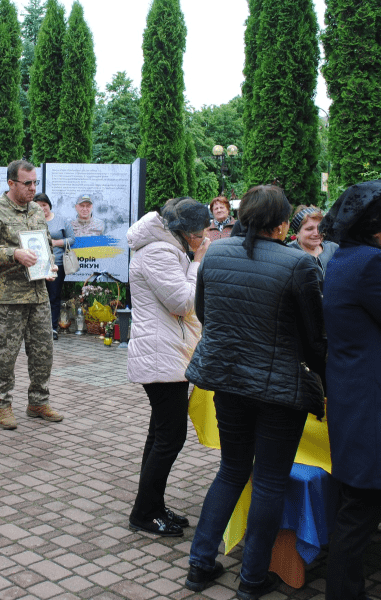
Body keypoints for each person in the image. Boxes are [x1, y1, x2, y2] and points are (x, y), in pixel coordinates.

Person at [184, 185, 327, 596]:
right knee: (267, 482)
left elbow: (206, 314)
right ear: (283, 224)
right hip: (279, 388)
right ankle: (251, 580)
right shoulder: (299, 264)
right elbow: (315, 339)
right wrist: (328, 384)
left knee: (231, 470)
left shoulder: (218, 252)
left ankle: (199, 565)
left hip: (227, 379)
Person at [318, 180, 381, 599]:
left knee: (354, 506)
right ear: (379, 228)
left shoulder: (345, 257)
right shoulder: (374, 265)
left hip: (351, 395)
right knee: (359, 512)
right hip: (370, 404)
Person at [126, 198, 210, 538]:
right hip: (162, 356)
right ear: (188, 231)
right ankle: (143, 512)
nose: (206, 235)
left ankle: (152, 506)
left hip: (168, 354)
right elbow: (183, 302)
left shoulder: (166, 248)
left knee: (160, 434)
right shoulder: (159, 253)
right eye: (203, 230)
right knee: (170, 437)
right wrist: (199, 263)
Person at [0, 160, 62, 430]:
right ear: (11, 183)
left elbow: (44, 243)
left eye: (35, 182)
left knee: (43, 351)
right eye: (27, 183)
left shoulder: (36, 210)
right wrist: (14, 254)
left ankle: (38, 401)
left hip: (37, 294)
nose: (33, 188)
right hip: (7, 297)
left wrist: (49, 265)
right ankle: (2, 404)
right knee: (5, 354)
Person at [34, 193, 74, 339]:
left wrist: (55, 243)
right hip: (36, 265)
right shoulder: (32, 220)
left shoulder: (61, 220)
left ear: (49, 205)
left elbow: (72, 238)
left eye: (44, 205)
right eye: (38, 205)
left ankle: (53, 328)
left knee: (54, 296)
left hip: (56, 264)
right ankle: (37, 328)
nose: (42, 208)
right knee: (37, 297)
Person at [288, 205, 339, 283]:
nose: (317, 233)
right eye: (309, 229)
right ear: (297, 233)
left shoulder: (333, 249)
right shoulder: (288, 253)